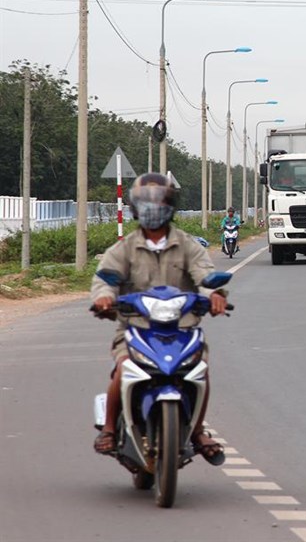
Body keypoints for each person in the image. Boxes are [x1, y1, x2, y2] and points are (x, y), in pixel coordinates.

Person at [91, 173, 228, 465]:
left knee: (200, 369)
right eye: (146, 202)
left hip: (181, 328)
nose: (153, 208)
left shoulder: (188, 244)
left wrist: (215, 294)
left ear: (171, 206)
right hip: (135, 328)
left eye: (159, 202)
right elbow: (105, 278)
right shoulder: (124, 247)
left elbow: (205, 275)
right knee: (123, 367)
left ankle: (197, 431)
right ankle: (109, 428)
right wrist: (103, 297)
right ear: (135, 207)